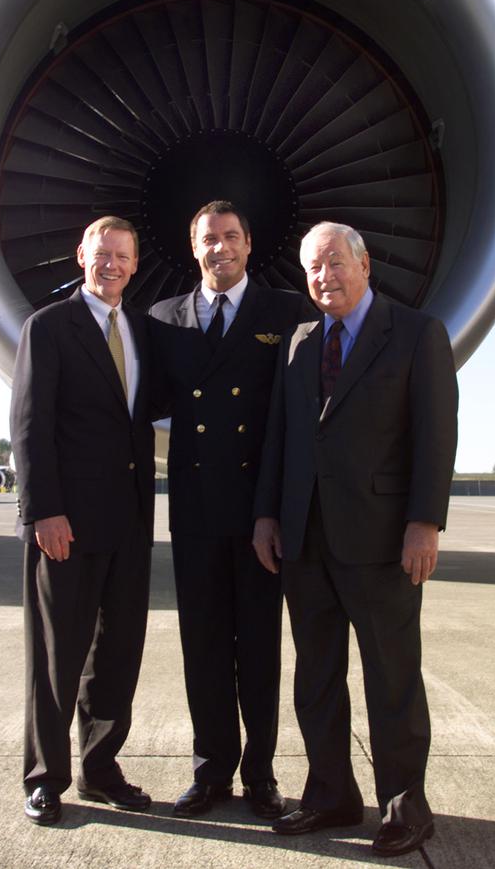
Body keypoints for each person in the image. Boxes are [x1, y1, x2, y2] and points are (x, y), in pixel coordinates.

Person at [253, 221, 457, 857]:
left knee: (391, 678)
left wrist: (425, 522)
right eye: (313, 267)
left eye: (335, 262)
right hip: (305, 538)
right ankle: (330, 795)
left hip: (382, 540)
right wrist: (267, 514)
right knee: (316, 677)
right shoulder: (300, 342)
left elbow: (435, 435)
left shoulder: (417, 333)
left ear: (364, 265)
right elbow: (281, 438)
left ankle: (405, 806)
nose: (323, 276)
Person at [149, 200, 312, 820]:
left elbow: (296, 417)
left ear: (249, 245)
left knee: (260, 649)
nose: (220, 247)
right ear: (194, 248)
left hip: (256, 514)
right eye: (208, 239)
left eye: (230, 237)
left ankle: (261, 775)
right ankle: (210, 771)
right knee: (204, 647)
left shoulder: (285, 311)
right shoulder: (164, 318)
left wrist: (277, 507)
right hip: (193, 510)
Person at [11, 215, 155, 825]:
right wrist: (43, 510)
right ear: (81, 256)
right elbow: (29, 426)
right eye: (102, 254)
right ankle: (46, 776)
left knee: (118, 652)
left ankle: (101, 768)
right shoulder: (48, 327)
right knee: (56, 654)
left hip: (129, 522)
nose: (111, 265)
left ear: (135, 263)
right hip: (65, 523)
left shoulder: (144, 331)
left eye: (122, 255)